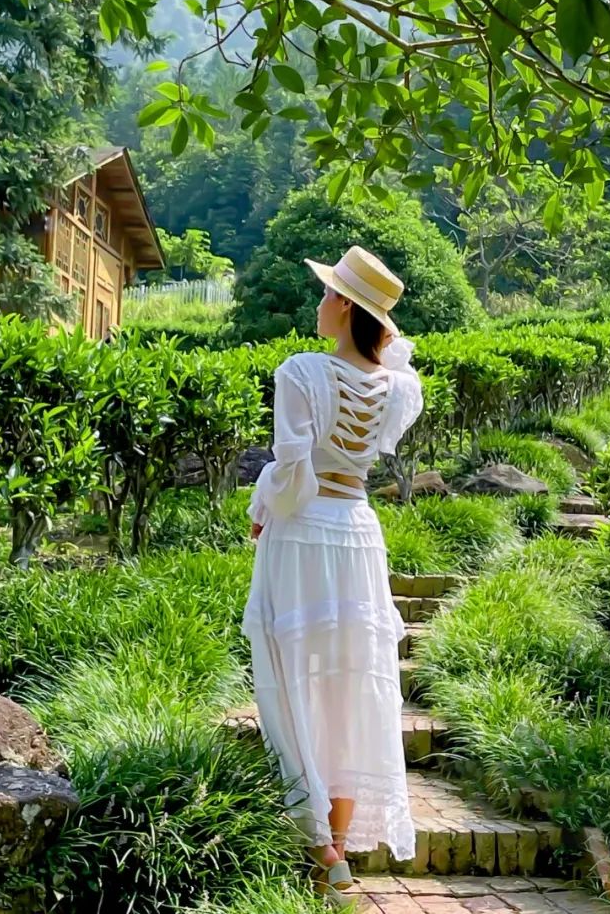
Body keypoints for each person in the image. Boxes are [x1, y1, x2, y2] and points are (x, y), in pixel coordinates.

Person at [242, 246, 425, 907]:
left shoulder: (301, 371)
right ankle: (336, 855)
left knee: (292, 674)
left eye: (326, 293)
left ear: (345, 305)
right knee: (350, 686)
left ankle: (319, 841)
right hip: (357, 531)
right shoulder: (399, 385)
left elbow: (292, 470)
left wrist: (262, 507)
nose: (319, 302)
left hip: (304, 531)